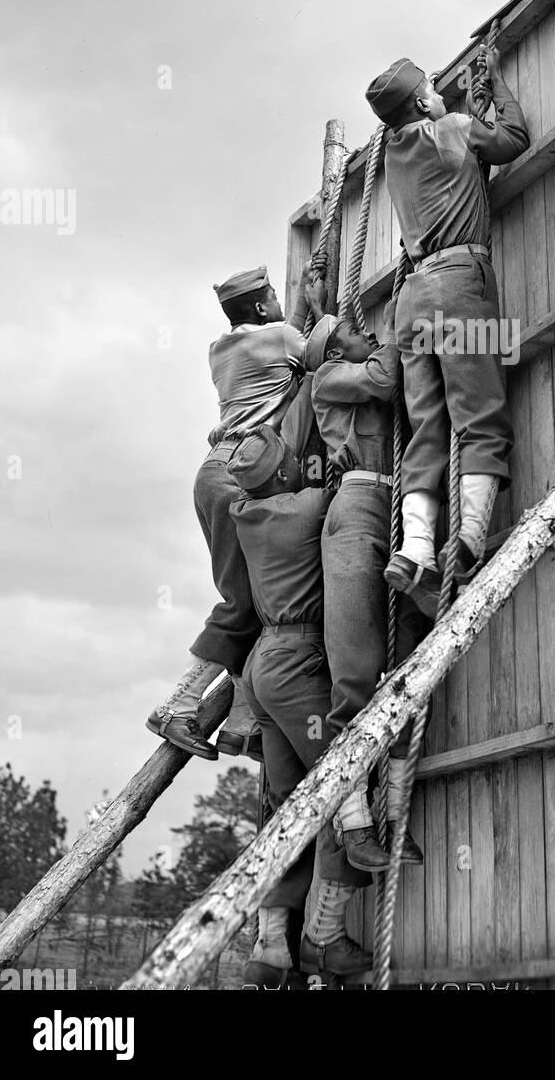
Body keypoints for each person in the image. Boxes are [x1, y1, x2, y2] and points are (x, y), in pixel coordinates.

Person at [365, 49, 529, 614]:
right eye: (431, 87)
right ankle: (469, 537)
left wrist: (439, 107)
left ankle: (414, 550)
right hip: (461, 284)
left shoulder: (392, 154)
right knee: (480, 413)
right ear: (420, 101)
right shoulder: (454, 129)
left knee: (426, 426)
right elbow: (513, 141)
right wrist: (494, 90)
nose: (439, 91)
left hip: (411, 300)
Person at [146, 266, 324, 762]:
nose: (280, 301)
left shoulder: (219, 350)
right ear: (264, 307)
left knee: (260, 599)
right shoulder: (281, 337)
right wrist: (319, 300)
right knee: (245, 599)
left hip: (213, 471)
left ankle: (239, 727)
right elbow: (325, 351)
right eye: (273, 296)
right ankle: (178, 705)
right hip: (238, 479)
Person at [227, 415, 371, 986]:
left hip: (261, 665)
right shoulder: (308, 508)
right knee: (339, 788)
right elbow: (349, 485)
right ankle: (325, 938)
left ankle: (271, 947)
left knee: (290, 808)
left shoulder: (246, 513)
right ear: (283, 470)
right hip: (296, 662)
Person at [303, 273, 429, 873]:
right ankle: (354, 823)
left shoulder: (342, 359)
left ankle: (396, 819)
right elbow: (382, 373)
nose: (368, 332)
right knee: (354, 674)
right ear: (332, 352)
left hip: (394, 504)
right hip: (355, 510)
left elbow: (360, 352)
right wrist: (393, 325)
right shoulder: (330, 377)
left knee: (405, 673)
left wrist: (321, 303)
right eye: (355, 331)